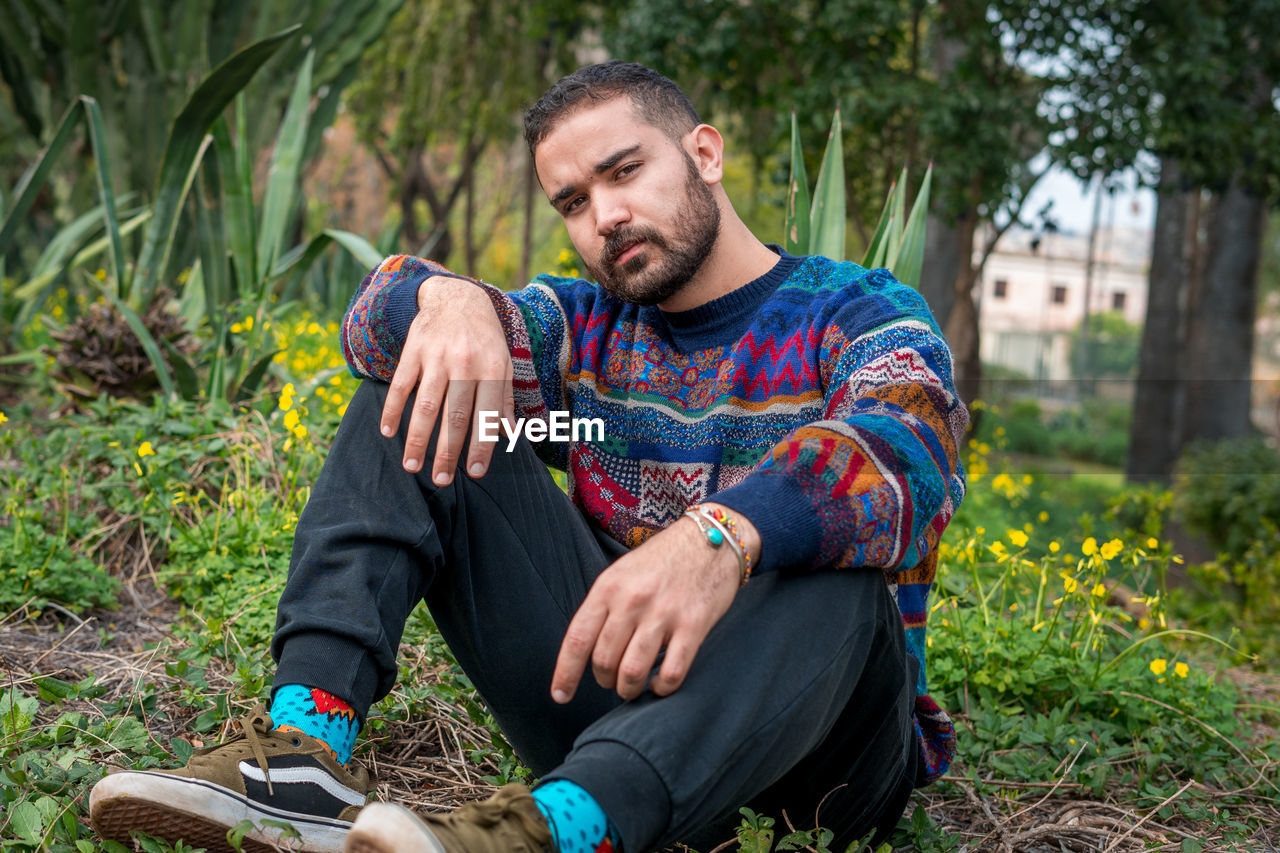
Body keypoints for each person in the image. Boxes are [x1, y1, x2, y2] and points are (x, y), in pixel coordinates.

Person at [90, 60, 966, 853]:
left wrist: (725, 538)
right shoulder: (584, 334)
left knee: (835, 559)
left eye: (625, 171)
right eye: (573, 202)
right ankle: (303, 758)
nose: (605, 215)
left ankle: (566, 831)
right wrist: (448, 300)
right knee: (419, 393)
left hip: (821, 766)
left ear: (703, 153)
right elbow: (371, 318)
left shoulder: (854, 310)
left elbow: (908, 448)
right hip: (617, 709)